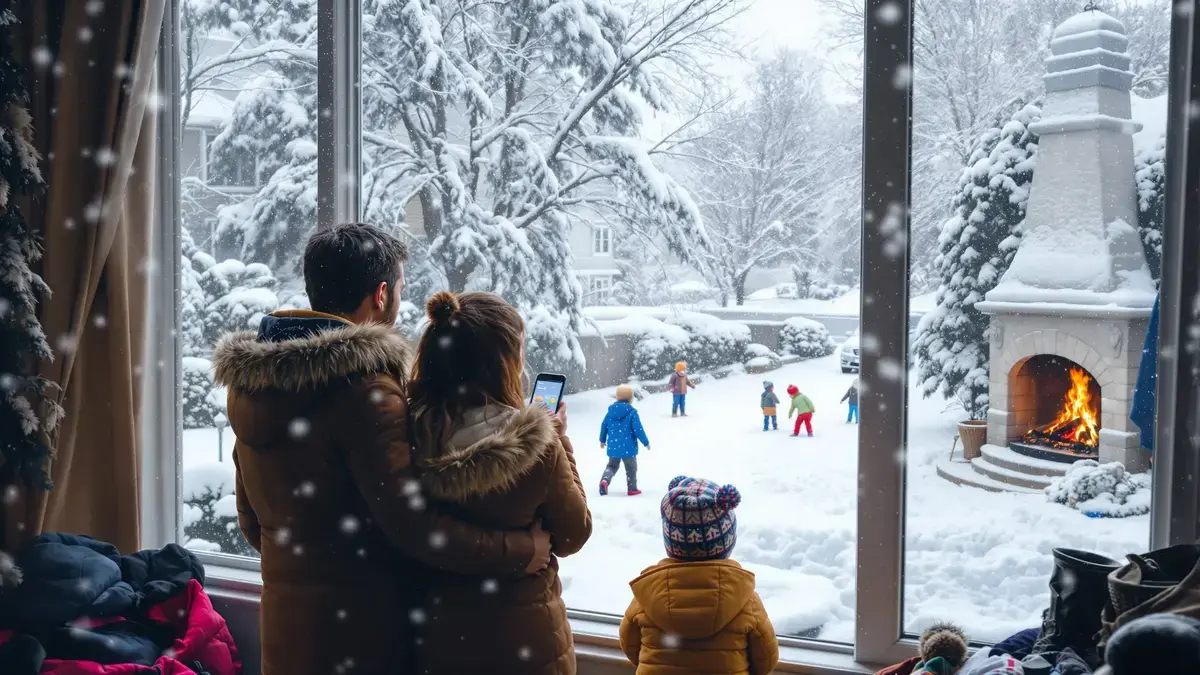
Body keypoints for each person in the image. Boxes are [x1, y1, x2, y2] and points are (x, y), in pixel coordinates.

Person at [212, 224, 551, 675]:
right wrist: (522, 550)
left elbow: (253, 522)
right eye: (400, 291)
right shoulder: (364, 389)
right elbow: (413, 527)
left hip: (286, 633)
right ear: (381, 294)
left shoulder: (254, 384)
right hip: (360, 636)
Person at [406, 291, 593, 675]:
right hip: (523, 644)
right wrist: (558, 440)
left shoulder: (401, 435)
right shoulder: (534, 446)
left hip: (436, 635)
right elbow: (575, 532)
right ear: (505, 361)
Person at [619, 476, 779, 675]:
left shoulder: (647, 596)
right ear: (727, 542)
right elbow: (766, 659)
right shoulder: (745, 600)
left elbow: (630, 646)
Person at [599, 384, 650, 496]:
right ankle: (632, 488)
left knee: (612, 466)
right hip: (629, 448)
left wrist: (602, 440)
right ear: (631, 398)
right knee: (631, 469)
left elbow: (604, 426)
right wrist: (646, 442)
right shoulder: (632, 413)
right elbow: (638, 429)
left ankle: (605, 481)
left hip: (614, 447)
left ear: (617, 397)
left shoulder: (610, 413)